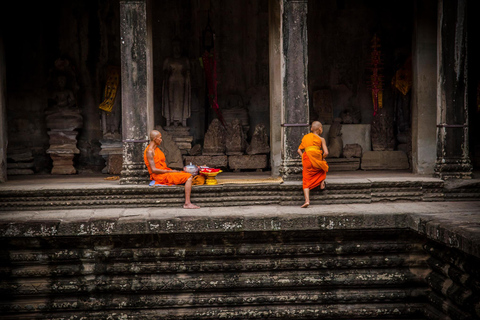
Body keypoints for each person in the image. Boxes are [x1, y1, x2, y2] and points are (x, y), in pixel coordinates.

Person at [144, 130, 199, 209]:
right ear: (155, 139)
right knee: (189, 177)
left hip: (165, 171)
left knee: (182, 173)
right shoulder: (150, 151)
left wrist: (171, 171)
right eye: (160, 138)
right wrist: (170, 171)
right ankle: (187, 203)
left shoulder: (156, 149)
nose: (161, 140)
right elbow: (154, 170)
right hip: (159, 175)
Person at [297, 121, 329, 208]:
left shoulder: (306, 137)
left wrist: (304, 156)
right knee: (324, 166)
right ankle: (321, 182)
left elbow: (299, 150)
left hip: (307, 159)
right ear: (320, 129)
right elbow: (326, 152)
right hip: (317, 158)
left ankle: (307, 200)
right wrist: (321, 158)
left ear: (311, 129)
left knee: (306, 181)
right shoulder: (322, 139)